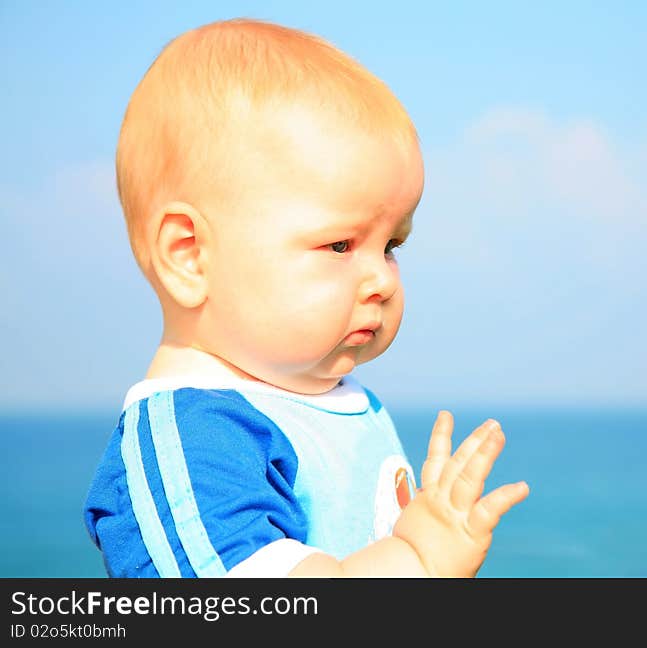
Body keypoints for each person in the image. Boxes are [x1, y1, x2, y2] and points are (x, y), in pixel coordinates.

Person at [83, 17, 529, 578]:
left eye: (391, 245)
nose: (383, 281)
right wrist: (419, 558)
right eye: (340, 244)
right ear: (189, 254)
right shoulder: (196, 443)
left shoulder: (326, 401)